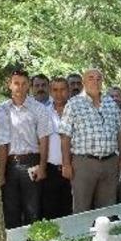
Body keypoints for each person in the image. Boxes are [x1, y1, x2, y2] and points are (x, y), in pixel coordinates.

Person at [60, 68, 121, 213]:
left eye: (98, 79)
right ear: (83, 82)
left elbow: (119, 133)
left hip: (110, 162)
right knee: (82, 207)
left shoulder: (111, 103)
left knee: (108, 208)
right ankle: (82, 235)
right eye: (91, 78)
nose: (95, 81)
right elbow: (65, 136)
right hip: (84, 163)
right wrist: (66, 164)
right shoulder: (73, 104)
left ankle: (105, 235)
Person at [0, 69, 52, 228]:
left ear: (29, 86)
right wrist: (1, 173)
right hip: (10, 164)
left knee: (33, 209)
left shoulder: (38, 108)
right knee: (10, 208)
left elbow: (44, 139)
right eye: (16, 83)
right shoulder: (1, 109)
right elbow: (2, 143)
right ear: (10, 85)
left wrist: (42, 167)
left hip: (31, 162)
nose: (19, 87)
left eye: (23, 83)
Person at [42, 76, 73, 219]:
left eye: (62, 90)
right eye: (55, 90)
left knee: (70, 210)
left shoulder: (76, 111)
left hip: (74, 168)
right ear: (50, 91)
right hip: (51, 169)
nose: (59, 94)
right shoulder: (43, 112)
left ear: (68, 90)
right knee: (50, 210)